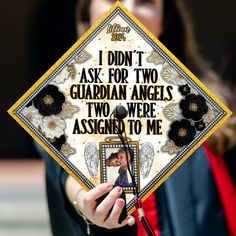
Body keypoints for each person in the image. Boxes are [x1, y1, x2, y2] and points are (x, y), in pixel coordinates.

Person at [35, 0, 236, 235]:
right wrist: (85, 201)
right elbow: (64, 169)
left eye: (145, 1)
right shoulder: (62, 105)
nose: (127, 10)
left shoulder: (207, 103)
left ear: (165, 20)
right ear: (87, 13)